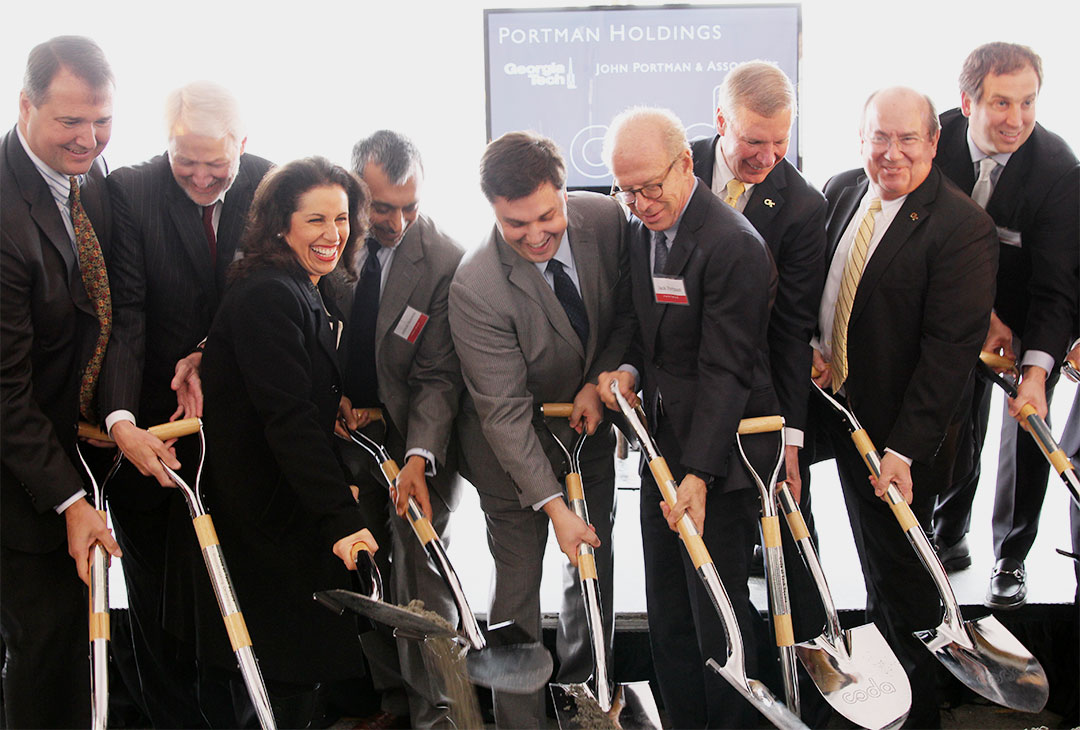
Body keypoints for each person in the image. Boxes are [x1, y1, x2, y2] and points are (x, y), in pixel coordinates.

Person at [812, 87, 997, 729]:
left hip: (898, 439)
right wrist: (816, 344)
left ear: (934, 141)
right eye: (879, 138)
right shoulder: (841, 191)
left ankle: (919, 713)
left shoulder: (961, 228)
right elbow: (824, 287)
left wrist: (904, 450)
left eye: (907, 139)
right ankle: (870, 698)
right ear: (860, 139)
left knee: (904, 583)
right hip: (834, 409)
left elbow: (950, 354)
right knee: (858, 558)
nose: (892, 154)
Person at [95, 80, 273, 727]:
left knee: (238, 597)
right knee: (158, 605)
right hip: (152, 431)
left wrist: (208, 351)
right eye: (184, 160)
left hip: (239, 430)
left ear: (242, 146)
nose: (200, 175)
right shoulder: (133, 192)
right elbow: (128, 315)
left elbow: (266, 296)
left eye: (215, 162)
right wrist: (122, 421)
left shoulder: (270, 186)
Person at [598, 106, 779, 730]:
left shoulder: (733, 246)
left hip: (720, 452)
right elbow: (635, 320)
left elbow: (727, 370)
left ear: (686, 165)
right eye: (626, 191)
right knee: (666, 606)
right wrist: (626, 368)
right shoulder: (639, 225)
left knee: (717, 609)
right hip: (661, 443)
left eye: (651, 186)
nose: (641, 203)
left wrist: (699, 472)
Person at [448, 131, 633, 729]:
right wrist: (554, 508)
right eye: (514, 223)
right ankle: (519, 722)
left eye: (546, 216)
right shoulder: (475, 286)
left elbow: (630, 313)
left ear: (564, 192)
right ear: (493, 211)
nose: (534, 235)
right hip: (509, 455)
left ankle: (588, 704)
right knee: (518, 592)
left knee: (591, 574)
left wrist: (599, 378)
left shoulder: (606, 218)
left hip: (588, 432)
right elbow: (502, 413)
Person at [192, 156, 377, 727]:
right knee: (278, 681)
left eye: (341, 219)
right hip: (267, 516)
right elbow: (288, 419)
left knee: (291, 678)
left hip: (283, 506)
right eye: (315, 220)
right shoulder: (272, 294)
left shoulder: (297, 285)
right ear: (280, 225)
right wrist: (342, 518)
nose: (333, 234)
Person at [690, 62, 829, 715]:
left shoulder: (801, 206)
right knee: (692, 577)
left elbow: (792, 333)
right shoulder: (672, 167)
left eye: (780, 142)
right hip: (678, 402)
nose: (767, 157)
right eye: (752, 142)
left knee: (776, 558)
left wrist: (790, 440)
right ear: (721, 123)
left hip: (754, 406)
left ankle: (789, 693)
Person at [0, 35, 122, 729]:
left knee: (80, 640)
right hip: (18, 468)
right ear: (26, 105)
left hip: (69, 442)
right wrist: (69, 499)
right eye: (71, 121)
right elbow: (4, 390)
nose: (89, 138)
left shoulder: (91, 175)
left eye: (102, 119)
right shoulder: (4, 214)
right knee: (41, 646)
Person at [931, 42, 1080, 609]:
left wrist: (1038, 367)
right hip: (950, 308)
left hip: (1026, 316)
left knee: (1027, 428)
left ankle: (1011, 557)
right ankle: (948, 532)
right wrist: (974, 313)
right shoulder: (931, 140)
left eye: (1027, 103)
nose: (1015, 119)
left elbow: (1056, 285)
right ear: (967, 103)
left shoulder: (1058, 170)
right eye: (1000, 103)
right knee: (951, 419)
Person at [323, 130, 464, 728]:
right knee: (361, 567)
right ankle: (391, 700)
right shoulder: (326, 233)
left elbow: (437, 375)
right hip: (344, 434)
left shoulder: (442, 259)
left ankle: (442, 713)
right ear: (357, 191)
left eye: (409, 206)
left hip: (416, 439)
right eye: (383, 208)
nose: (398, 221)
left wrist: (418, 457)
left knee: (420, 573)